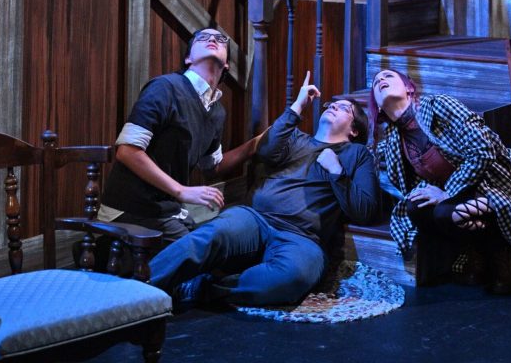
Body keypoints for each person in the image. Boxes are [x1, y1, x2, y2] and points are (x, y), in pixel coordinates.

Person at [149, 71, 381, 308]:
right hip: (255, 218)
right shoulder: (297, 139)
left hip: (301, 237)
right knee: (210, 235)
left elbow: (364, 210)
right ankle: (139, 286)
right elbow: (266, 151)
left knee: (291, 278)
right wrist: (297, 107)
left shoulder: (357, 154)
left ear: (354, 131)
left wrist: (336, 171)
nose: (332, 106)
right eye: (331, 104)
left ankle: (203, 289)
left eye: (344, 108)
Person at [369, 68, 511, 294]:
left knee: (442, 212)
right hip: (458, 193)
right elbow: (408, 183)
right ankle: (477, 252)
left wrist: (446, 193)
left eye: (389, 76)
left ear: (409, 88)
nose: (381, 80)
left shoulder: (438, 105)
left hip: (494, 182)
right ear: (378, 105)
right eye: (376, 82)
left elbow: (483, 150)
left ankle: (505, 256)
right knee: (415, 207)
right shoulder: (393, 140)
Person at [99, 27, 236, 241]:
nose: (212, 39)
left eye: (220, 39)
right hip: (131, 209)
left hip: (168, 211)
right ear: (188, 57)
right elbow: (127, 151)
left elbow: (213, 167)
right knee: (195, 255)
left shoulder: (217, 111)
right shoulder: (165, 87)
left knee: (220, 243)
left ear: (227, 62)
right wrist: (181, 191)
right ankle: (105, 253)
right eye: (203, 37)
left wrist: (260, 141)